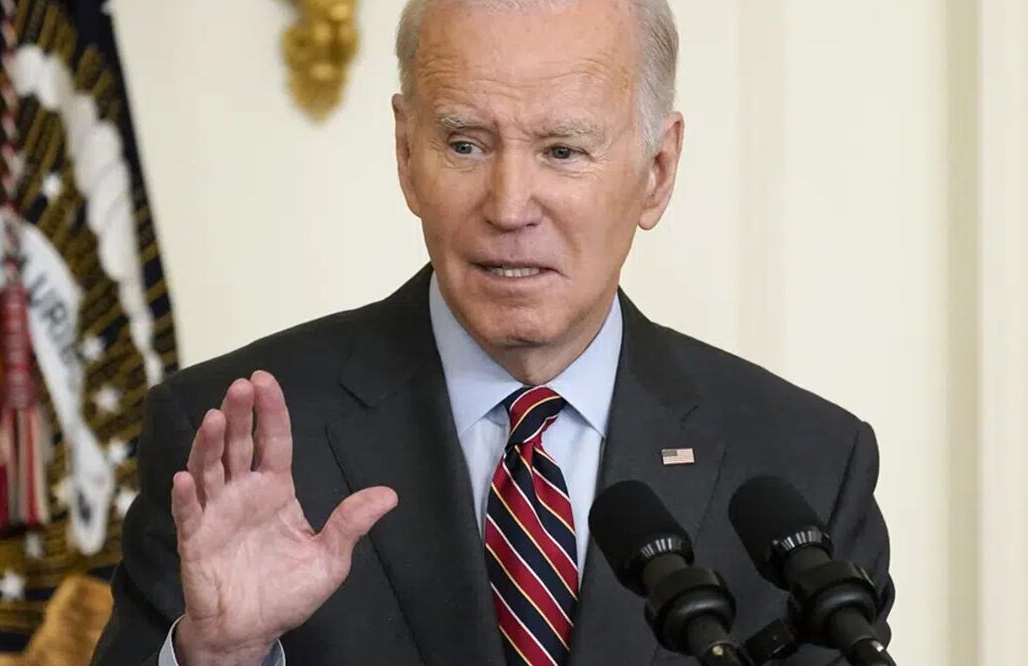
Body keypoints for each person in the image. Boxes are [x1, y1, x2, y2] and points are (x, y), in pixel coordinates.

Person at [92, 0, 894, 664]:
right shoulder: (236, 445)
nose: (510, 205)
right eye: (465, 144)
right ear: (407, 154)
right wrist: (220, 655)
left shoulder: (805, 463)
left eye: (562, 149)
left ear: (657, 170)